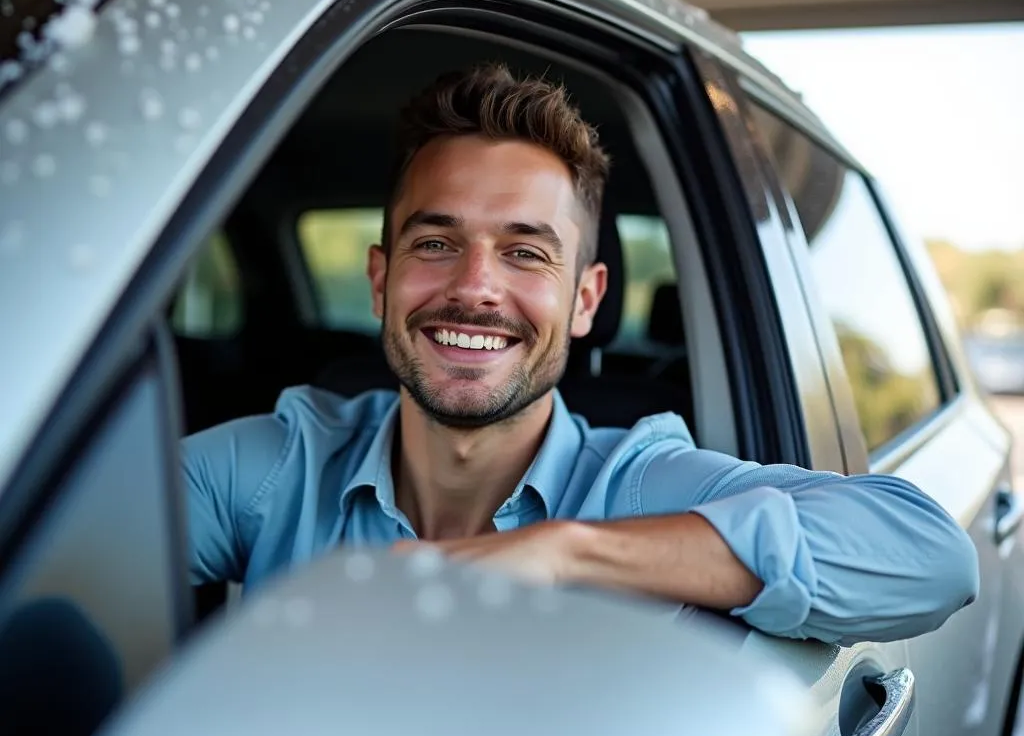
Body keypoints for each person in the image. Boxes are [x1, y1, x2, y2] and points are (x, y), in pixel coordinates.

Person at [183, 62, 979, 645]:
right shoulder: (284, 462)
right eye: (436, 242)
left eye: (526, 254)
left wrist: (563, 554)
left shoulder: (637, 484)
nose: (475, 288)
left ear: (587, 299)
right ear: (380, 278)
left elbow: (930, 554)